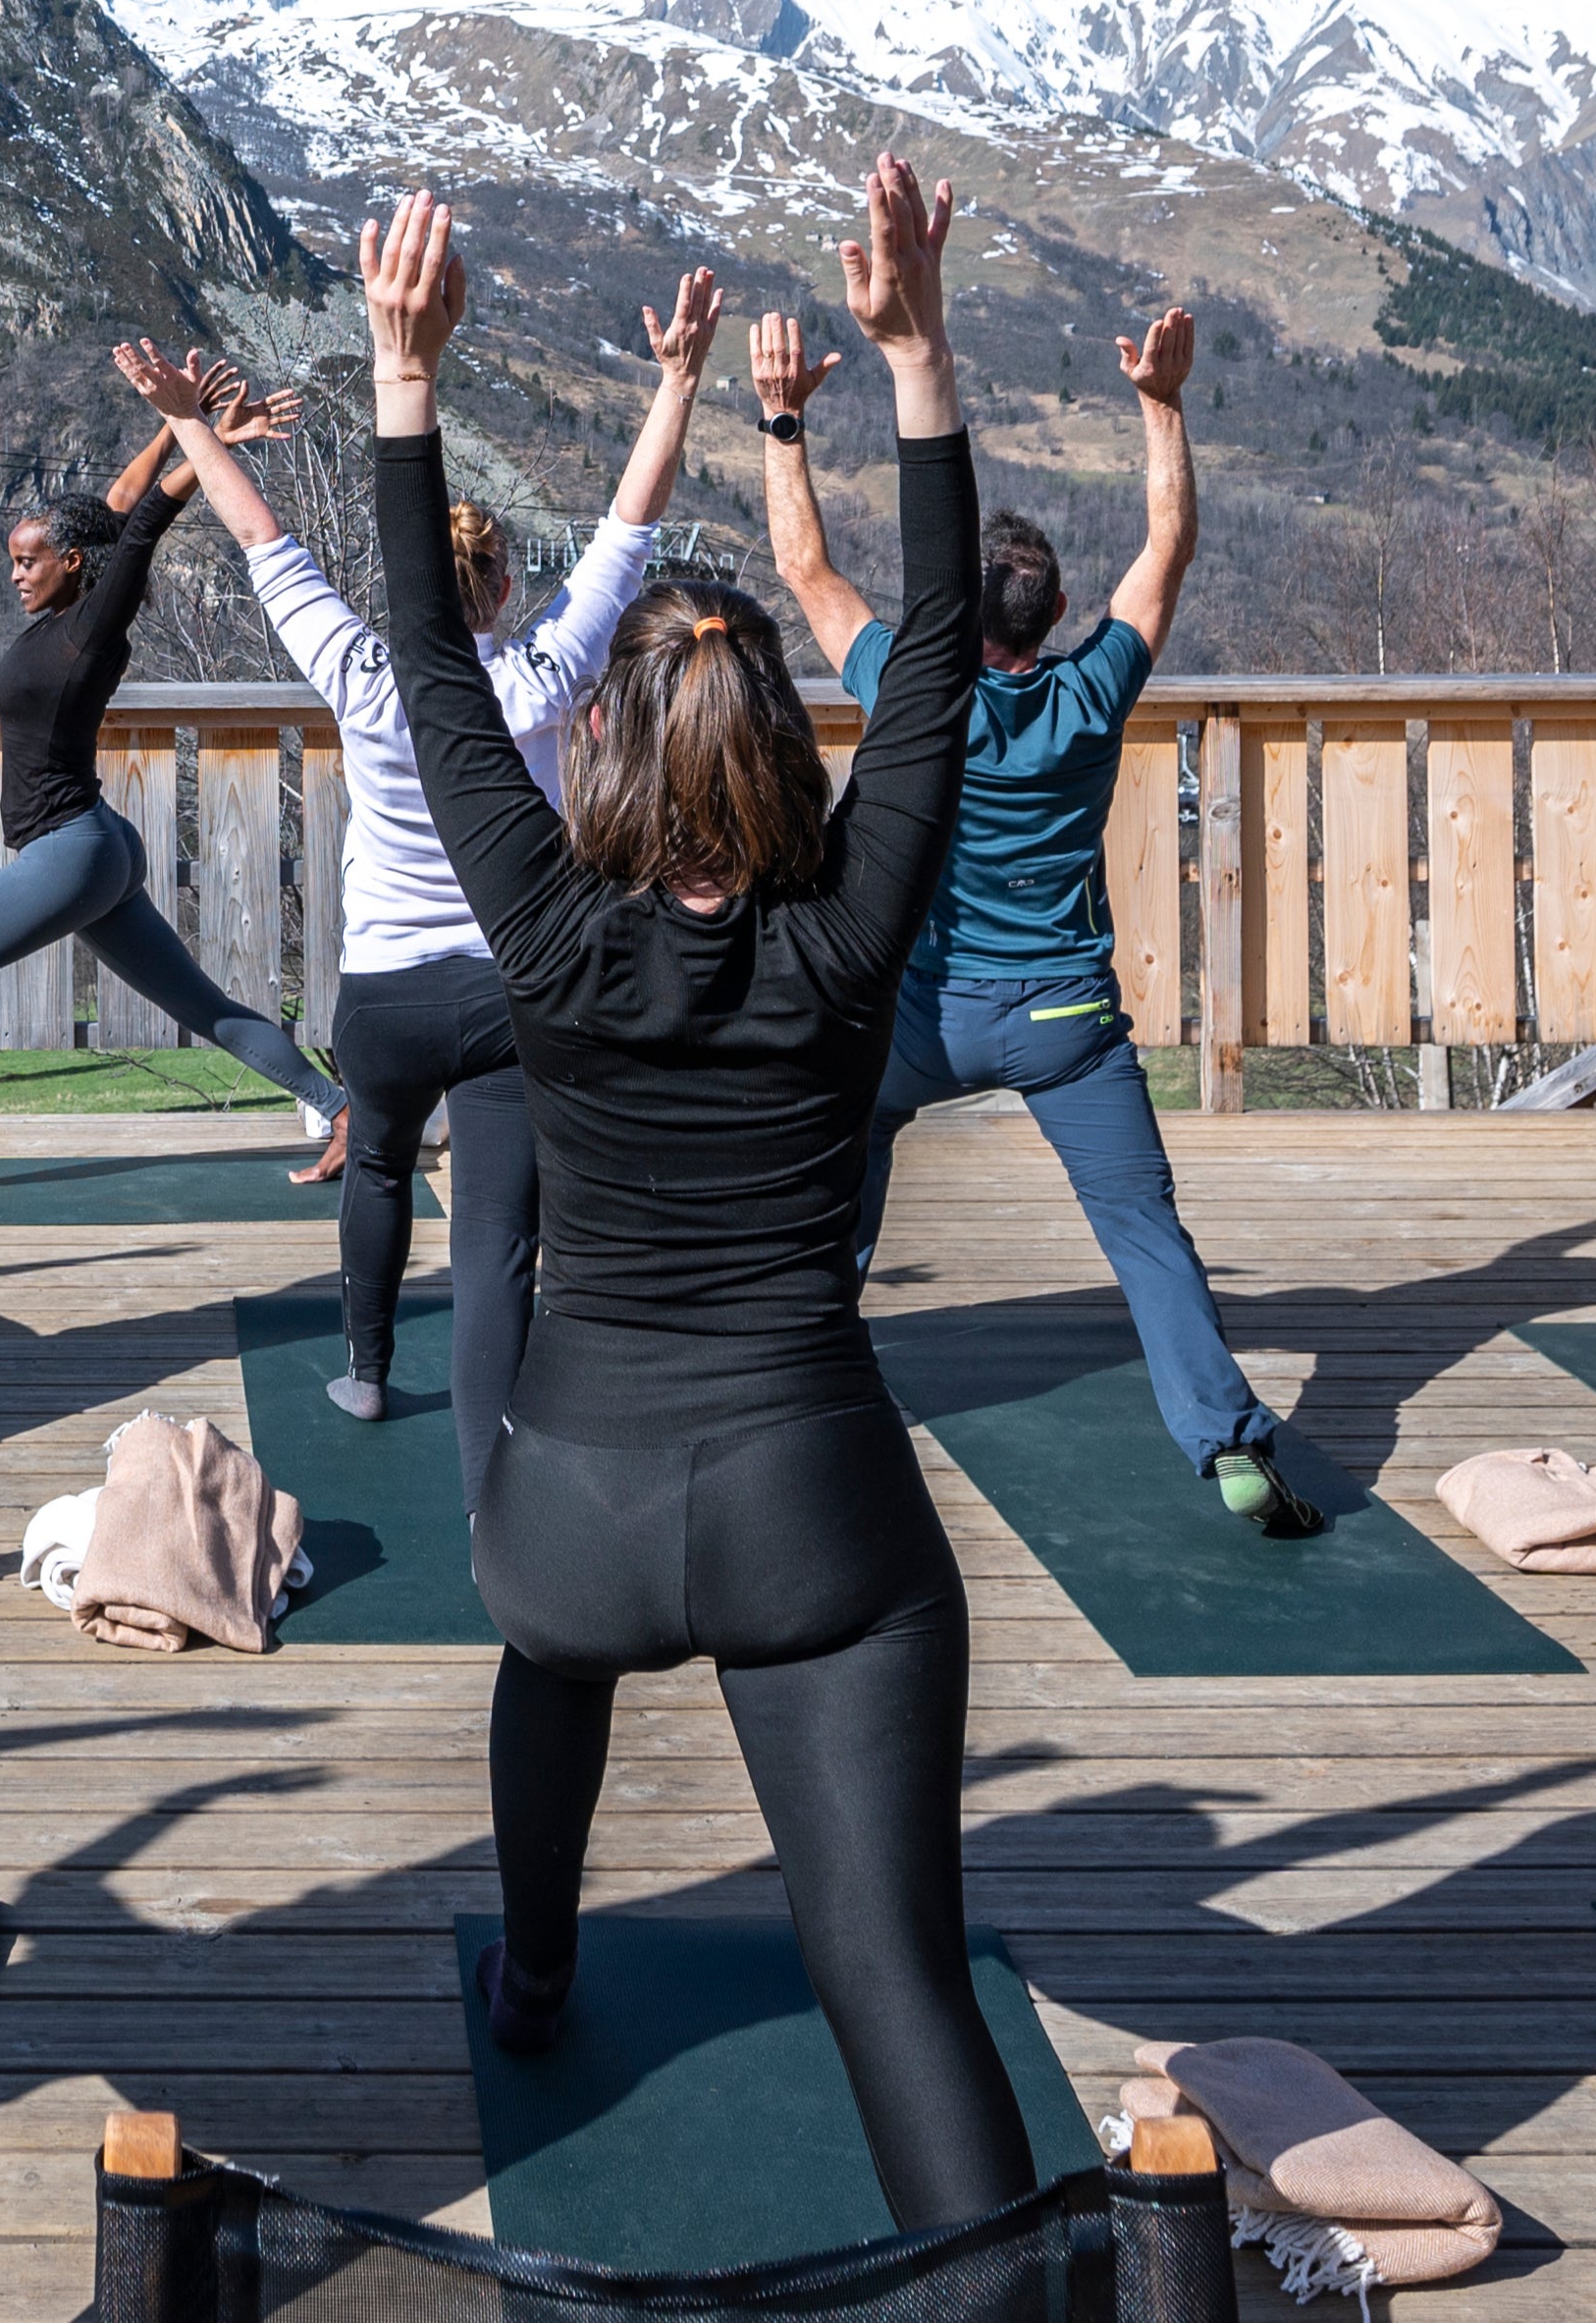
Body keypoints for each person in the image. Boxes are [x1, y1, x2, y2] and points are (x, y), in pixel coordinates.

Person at [373, 162, 1053, 2236]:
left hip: (566, 1506)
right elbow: (935, 665)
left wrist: (406, 384)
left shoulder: (551, 935)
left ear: (600, 760)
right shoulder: (847, 929)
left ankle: (545, 1966)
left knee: (546, 1653)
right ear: (777, 751)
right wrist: (920, 363)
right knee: (896, 1982)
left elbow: (424, 659)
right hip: (811, 1508)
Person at [136, 276, 717, 1470]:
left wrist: (190, 421)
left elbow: (259, 538)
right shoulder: (546, 677)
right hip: (514, 992)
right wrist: (677, 382)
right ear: (503, 588)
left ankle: (363, 1367)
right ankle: (489, 1473)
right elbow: (629, 529)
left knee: (382, 1164)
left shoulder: (360, 672)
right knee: (500, 1240)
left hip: (388, 992)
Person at [760, 292, 1312, 1537]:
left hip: (921, 1020)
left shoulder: (909, 687)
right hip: (1066, 1016)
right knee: (1144, 1229)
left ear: (958, 615)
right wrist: (1161, 408)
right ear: (1057, 619)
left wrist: (782, 418)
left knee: (839, 1168)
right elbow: (1167, 547)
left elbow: (803, 566)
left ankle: (799, 1388)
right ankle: (1227, 1441)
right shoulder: (1096, 690)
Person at [0, 359, 339, 1201]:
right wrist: (178, 421)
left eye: (30, 560)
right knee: (202, 1006)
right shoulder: (65, 611)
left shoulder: (93, 628)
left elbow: (138, 529)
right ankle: (340, 1109)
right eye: (12, 560)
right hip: (94, 848)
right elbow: (115, 509)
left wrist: (200, 442)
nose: (16, 572)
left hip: (71, 852)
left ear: (69, 565)